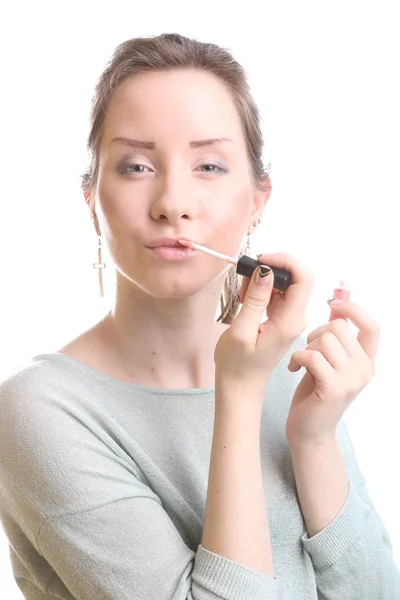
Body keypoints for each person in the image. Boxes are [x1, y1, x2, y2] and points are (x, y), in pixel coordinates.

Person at [0, 33, 399, 600]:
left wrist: (313, 439)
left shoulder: (292, 373)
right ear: (91, 200)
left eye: (209, 165)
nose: (172, 203)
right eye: (136, 166)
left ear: (258, 200)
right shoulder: (37, 411)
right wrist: (238, 390)